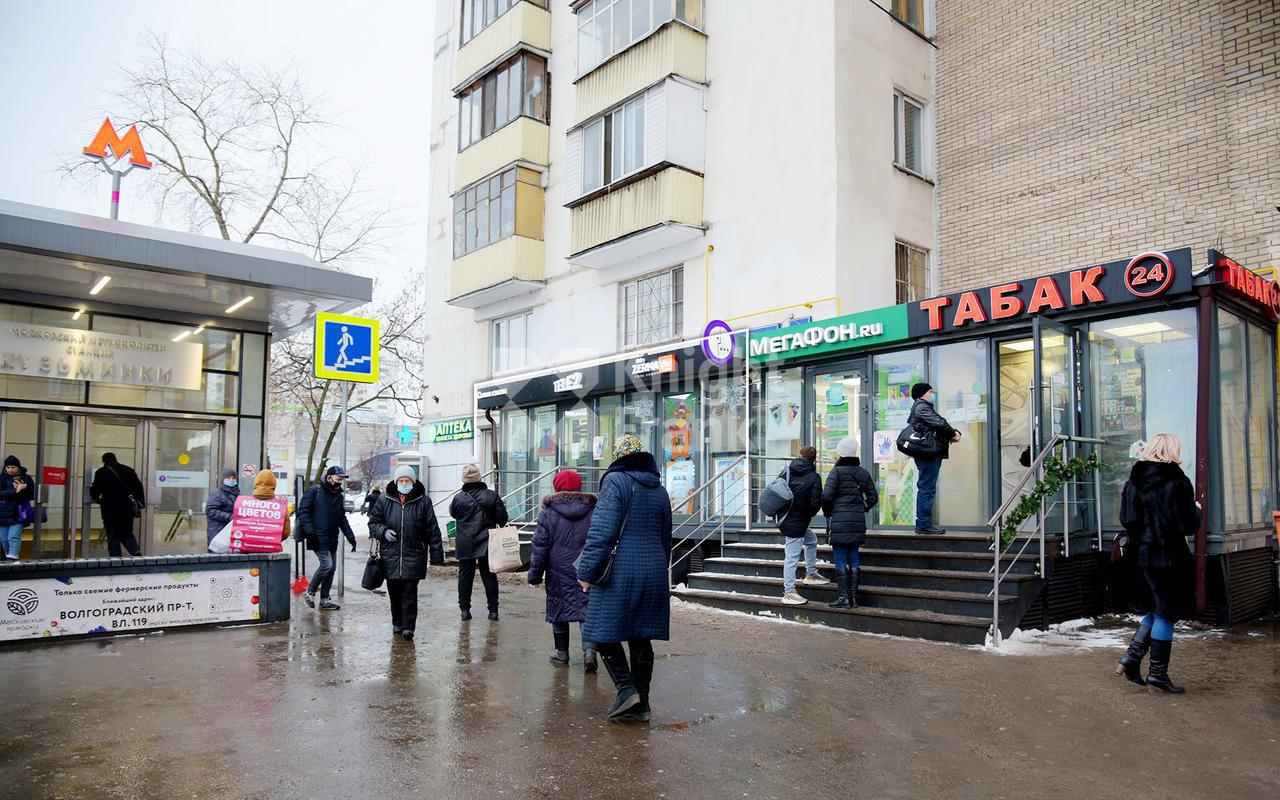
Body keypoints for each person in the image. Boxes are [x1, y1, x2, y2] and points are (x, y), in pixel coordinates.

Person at [576, 435, 672, 723]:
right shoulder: (660, 490)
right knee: (640, 636)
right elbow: (665, 538)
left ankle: (626, 689)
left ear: (618, 457)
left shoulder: (615, 482)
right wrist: (658, 568)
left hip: (621, 571)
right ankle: (641, 704)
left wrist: (587, 572)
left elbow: (602, 531)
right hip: (654, 569)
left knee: (597, 630)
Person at [1116, 433, 1199, 694]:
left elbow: (1127, 519)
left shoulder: (1133, 481)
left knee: (1155, 607)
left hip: (1140, 555)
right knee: (1166, 611)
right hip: (1167, 556)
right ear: (1172, 451)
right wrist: (1196, 509)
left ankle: (1131, 658)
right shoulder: (1178, 482)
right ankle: (1157, 675)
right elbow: (1187, 524)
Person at [528, 469, 598, 672]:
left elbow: (539, 546)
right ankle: (589, 652)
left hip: (557, 568)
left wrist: (534, 575)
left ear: (556, 487)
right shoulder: (593, 510)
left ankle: (562, 652)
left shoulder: (548, 512)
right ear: (579, 486)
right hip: (586, 566)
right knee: (586, 608)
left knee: (559, 606)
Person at [369, 465, 444, 640]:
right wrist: (383, 531)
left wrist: (436, 555)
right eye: (401, 481)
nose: (404, 483)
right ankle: (397, 623)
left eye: (407, 481)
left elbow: (432, 528)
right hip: (390, 554)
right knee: (394, 591)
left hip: (414, 553)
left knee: (410, 592)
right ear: (396, 483)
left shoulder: (423, 501)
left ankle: (409, 627)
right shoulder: (384, 500)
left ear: (413, 482)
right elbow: (373, 523)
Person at [822, 436, 879, 609]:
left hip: (839, 521)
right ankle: (853, 597)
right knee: (854, 557)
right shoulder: (863, 473)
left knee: (840, 559)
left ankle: (844, 597)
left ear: (841, 453)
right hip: (856, 522)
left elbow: (826, 497)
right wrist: (863, 509)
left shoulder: (836, 472)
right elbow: (873, 498)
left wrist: (828, 512)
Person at [450, 464, 509, 621]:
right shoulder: (491, 496)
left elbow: (453, 514)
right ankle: (493, 611)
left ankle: (465, 611)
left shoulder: (458, 498)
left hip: (465, 542)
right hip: (487, 542)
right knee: (489, 576)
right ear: (479, 477)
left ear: (464, 480)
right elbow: (503, 518)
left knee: (465, 576)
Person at [295, 465, 357, 611]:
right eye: (338, 478)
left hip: (331, 537)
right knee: (326, 565)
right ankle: (310, 593)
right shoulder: (315, 491)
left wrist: (350, 537)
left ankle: (324, 600)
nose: (340, 481)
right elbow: (302, 511)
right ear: (329, 477)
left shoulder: (338, 495)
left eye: (342, 478)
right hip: (317, 536)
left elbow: (342, 519)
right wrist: (309, 530)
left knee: (331, 569)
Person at [907, 382, 960, 534]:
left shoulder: (922, 407)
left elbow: (936, 426)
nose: (933, 394)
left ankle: (924, 523)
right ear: (923, 394)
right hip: (928, 453)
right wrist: (953, 434)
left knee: (927, 487)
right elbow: (940, 423)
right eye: (930, 391)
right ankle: (923, 524)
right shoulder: (922, 407)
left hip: (927, 452)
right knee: (927, 488)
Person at [778, 446, 827, 605]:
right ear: (814, 459)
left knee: (811, 540)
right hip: (797, 522)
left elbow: (777, 489)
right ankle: (789, 591)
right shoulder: (814, 477)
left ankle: (811, 574)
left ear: (799, 456)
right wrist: (806, 515)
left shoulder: (787, 471)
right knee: (791, 557)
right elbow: (815, 503)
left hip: (786, 518)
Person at [89, 452, 144, 557]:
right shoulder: (129, 470)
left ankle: (115, 559)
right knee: (127, 533)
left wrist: (96, 498)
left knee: (112, 535)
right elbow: (138, 487)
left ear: (104, 461)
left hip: (110, 510)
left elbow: (95, 492)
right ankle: (135, 551)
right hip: (127, 509)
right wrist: (140, 503)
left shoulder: (101, 472)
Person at [0, 456, 32, 560]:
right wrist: (15, 491)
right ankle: (8, 556)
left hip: (18, 512)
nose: (10, 469)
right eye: (8, 467)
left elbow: (31, 495)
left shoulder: (26, 478)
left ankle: (13, 557)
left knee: (13, 537)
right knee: (4, 539)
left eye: (13, 467)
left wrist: (22, 490)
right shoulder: (2, 478)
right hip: (3, 513)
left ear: (18, 467)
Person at [251, 469, 291, 542]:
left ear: (255, 484)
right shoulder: (280, 506)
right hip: (272, 547)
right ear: (274, 485)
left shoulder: (246, 504)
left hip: (248, 548)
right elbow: (286, 532)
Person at [205, 468, 239, 549]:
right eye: (228, 478)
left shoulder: (237, 494)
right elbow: (211, 511)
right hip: (218, 533)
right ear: (223, 479)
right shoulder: (217, 494)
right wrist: (229, 517)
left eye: (233, 478)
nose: (231, 480)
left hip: (230, 532)